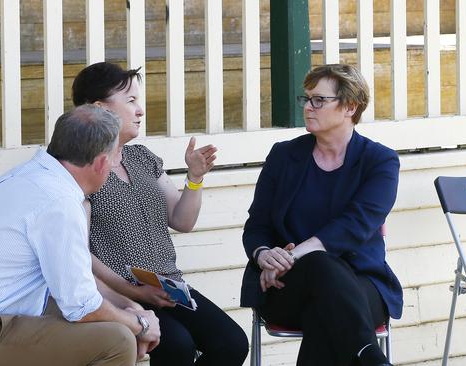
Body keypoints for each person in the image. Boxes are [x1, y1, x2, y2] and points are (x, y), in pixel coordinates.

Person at [0, 105, 160, 366]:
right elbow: (81, 306)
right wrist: (140, 324)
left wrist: (130, 309)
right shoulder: (58, 201)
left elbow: (76, 285)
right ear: (102, 162)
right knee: (117, 341)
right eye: (115, 157)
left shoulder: (34, 177)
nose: (115, 164)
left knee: (113, 325)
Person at [71, 62, 249, 366]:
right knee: (177, 346)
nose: (140, 110)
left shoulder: (143, 158)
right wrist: (132, 290)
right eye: (130, 101)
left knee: (232, 342)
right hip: (119, 293)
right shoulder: (81, 169)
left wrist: (195, 177)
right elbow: (77, 251)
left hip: (169, 288)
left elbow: (183, 220)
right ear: (99, 108)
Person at [240, 64, 402, 366]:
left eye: (318, 100)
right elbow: (257, 225)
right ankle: (371, 358)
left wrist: (294, 254)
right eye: (306, 99)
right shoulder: (284, 156)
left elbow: (353, 227)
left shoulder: (380, 162)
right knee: (323, 282)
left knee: (324, 310)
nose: (308, 107)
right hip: (286, 286)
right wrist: (264, 255)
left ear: (349, 107)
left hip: (362, 283)